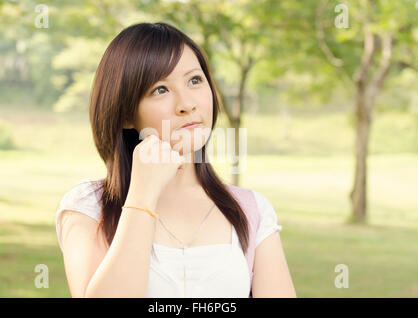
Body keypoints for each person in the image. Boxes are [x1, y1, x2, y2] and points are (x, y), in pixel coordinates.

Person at [55, 22, 296, 298]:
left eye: (195, 80)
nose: (187, 104)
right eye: (160, 89)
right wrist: (142, 196)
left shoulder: (251, 211)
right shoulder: (89, 207)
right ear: (125, 114)